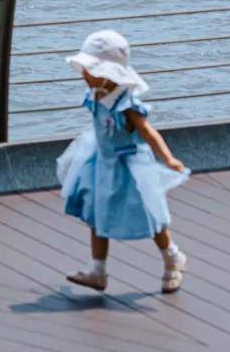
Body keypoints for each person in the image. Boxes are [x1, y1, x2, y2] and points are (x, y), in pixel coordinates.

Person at [56, 28, 189, 294]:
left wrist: (168, 158)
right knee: (96, 214)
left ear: (108, 73)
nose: (85, 74)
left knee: (150, 214)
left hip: (129, 166)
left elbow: (148, 133)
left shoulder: (125, 104)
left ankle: (172, 257)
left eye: (91, 70)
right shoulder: (95, 95)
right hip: (101, 162)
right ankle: (98, 270)